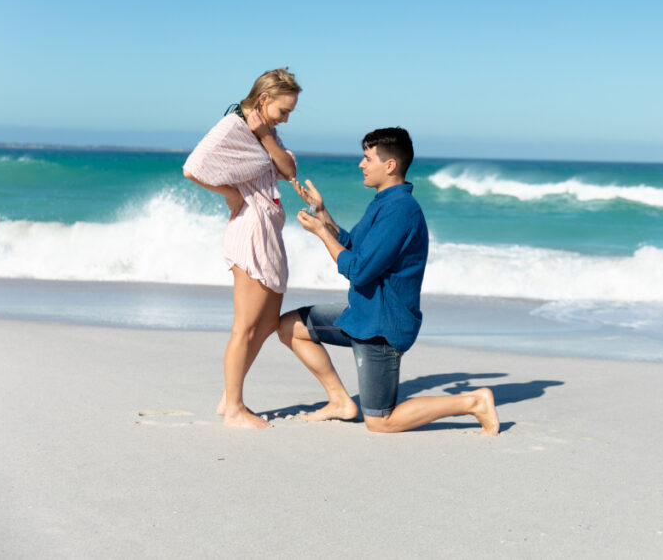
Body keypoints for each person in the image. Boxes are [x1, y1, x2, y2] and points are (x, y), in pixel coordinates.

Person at [276, 127, 499, 434]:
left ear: (390, 165)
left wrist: (320, 233)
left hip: (382, 327)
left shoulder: (401, 211)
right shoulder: (384, 201)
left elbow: (360, 271)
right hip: (363, 315)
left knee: (381, 422)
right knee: (290, 326)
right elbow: (354, 245)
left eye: (367, 158)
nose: (361, 164)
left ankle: (474, 402)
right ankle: (340, 402)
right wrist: (322, 212)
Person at [183, 67, 301, 429]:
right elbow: (193, 167)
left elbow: (288, 170)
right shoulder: (232, 127)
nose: (286, 118)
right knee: (245, 327)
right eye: (283, 110)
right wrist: (230, 193)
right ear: (264, 99)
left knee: (265, 324)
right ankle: (234, 408)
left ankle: (228, 397)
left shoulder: (267, 132)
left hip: (268, 230)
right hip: (249, 231)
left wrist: (266, 134)